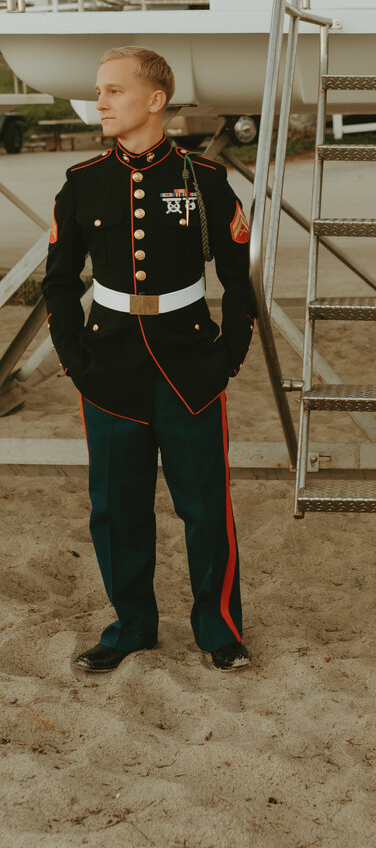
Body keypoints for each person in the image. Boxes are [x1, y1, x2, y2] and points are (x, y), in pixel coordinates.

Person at [42, 46, 255, 673]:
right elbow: (58, 281)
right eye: (98, 91)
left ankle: (218, 630)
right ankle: (131, 626)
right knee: (116, 507)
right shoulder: (82, 182)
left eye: (113, 91)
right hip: (107, 367)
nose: (100, 102)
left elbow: (239, 282)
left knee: (205, 506)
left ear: (154, 100)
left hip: (189, 364)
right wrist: (74, 356)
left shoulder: (206, 181)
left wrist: (228, 358)